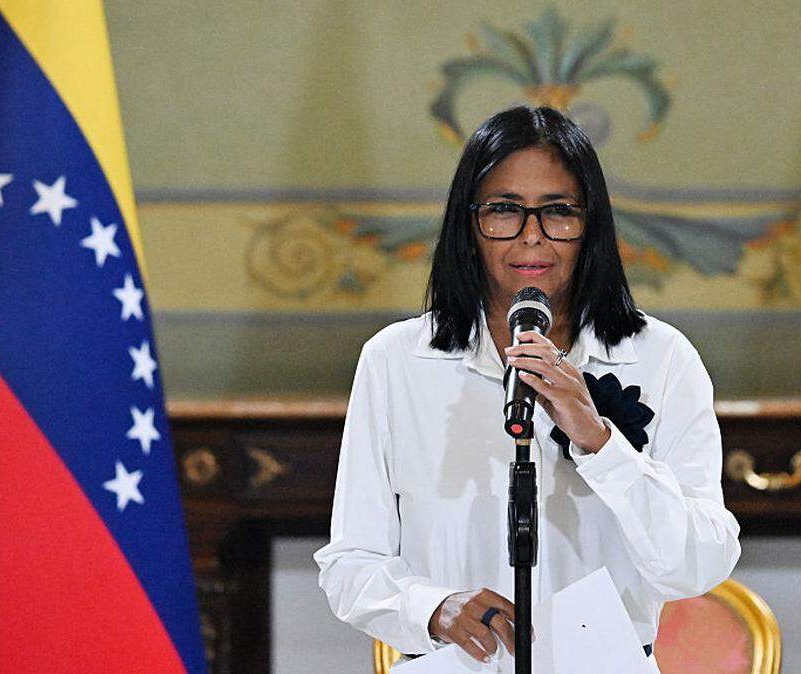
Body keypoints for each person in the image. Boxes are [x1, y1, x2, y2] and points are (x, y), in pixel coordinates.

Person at [314, 106, 741, 666]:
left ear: (591, 225)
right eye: (504, 211)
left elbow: (699, 564)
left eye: (558, 212)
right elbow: (350, 564)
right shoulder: (396, 361)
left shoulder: (661, 359)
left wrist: (599, 440)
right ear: (469, 224)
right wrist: (434, 607)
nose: (532, 238)